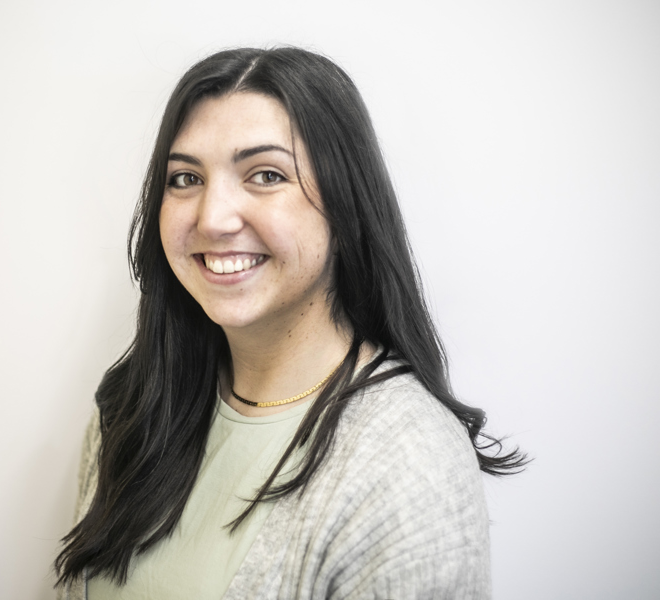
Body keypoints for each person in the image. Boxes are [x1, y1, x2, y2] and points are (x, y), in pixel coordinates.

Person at [54, 47, 526, 600]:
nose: (212, 218)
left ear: (345, 203)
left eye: (266, 174)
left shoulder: (407, 462)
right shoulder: (131, 408)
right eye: (185, 178)